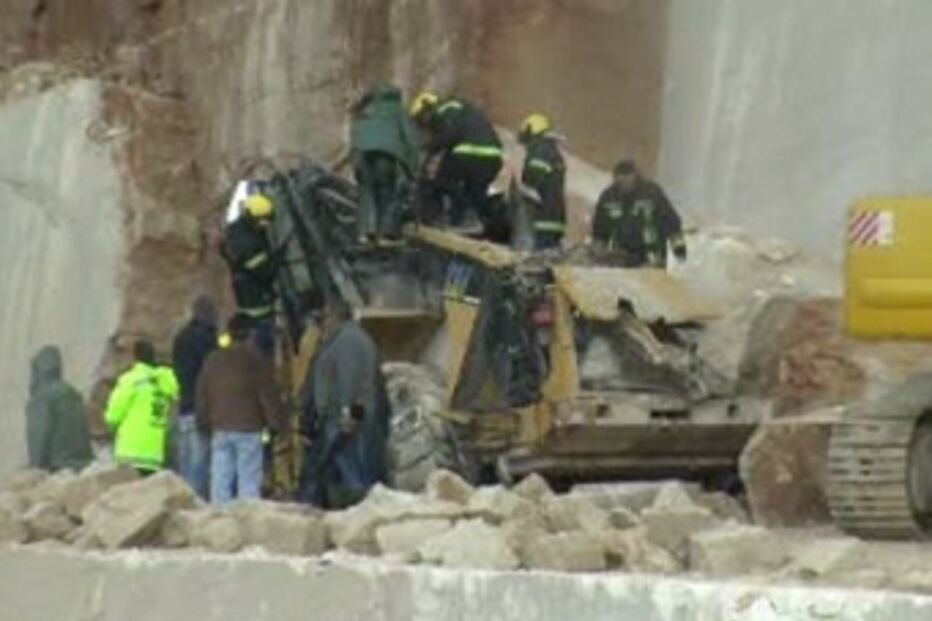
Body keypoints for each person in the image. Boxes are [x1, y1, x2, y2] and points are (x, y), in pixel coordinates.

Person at [298, 300, 390, 509]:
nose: (323, 324)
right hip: (348, 418)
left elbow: (353, 384)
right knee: (336, 470)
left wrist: (350, 417)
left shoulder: (348, 341)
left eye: (325, 318)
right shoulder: (350, 338)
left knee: (351, 473)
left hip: (346, 421)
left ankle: (358, 517)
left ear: (335, 317)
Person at [196, 314, 283, 504]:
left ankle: (218, 520)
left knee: (220, 480)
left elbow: (202, 394)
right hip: (249, 428)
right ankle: (248, 523)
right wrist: (274, 423)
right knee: (249, 482)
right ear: (251, 334)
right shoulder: (255, 360)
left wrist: (204, 422)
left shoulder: (213, 359)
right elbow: (266, 395)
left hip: (220, 428)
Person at [409, 91, 504, 236]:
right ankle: (479, 222)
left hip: (470, 152)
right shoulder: (462, 108)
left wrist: (428, 148)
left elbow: (448, 136)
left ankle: (457, 217)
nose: (424, 125)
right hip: (493, 157)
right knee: (475, 193)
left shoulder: (444, 109)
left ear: (427, 108)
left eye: (421, 119)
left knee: (442, 180)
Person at [350, 84, 421, 243]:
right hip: (385, 158)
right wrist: (414, 168)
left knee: (366, 194)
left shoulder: (366, 111)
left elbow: (355, 137)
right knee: (387, 194)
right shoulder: (398, 111)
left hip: (362, 157)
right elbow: (411, 140)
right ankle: (385, 235)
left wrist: (355, 165)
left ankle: (364, 233)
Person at [591, 160, 687, 268]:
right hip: (623, 255)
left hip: (652, 256)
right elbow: (600, 227)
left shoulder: (651, 193)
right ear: (615, 177)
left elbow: (670, 221)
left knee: (648, 282)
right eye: (620, 178)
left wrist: (679, 249)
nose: (624, 182)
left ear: (635, 175)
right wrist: (598, 250)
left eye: (627, 176)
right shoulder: (609, 197)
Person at [105, 340, 179, 474]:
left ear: (134, 357)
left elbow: (112, 416)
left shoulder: (131, 380)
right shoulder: (163, 382)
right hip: (155, 455)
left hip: (130, 452)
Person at [170, 295, 218, 498]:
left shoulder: (180, 337)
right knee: (200, 461)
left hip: (184, 407)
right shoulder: (206, 339)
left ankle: (183, 500)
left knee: (186, 460)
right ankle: (196, 503)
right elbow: (212, 372)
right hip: (201, 409)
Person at [221, 193, 278, 358]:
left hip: (249, 298)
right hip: (257, 304)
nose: (266, 224)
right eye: (262, 220)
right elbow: (263, 271)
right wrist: (276, 262)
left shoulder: (236, 230)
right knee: (264, 348)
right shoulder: (246, 243)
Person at [25, 345, 93, 472]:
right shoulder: (74, 393)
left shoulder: (42, 396)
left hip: (57, 464)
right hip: (82, 463)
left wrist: (35, 468)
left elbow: (38, 434)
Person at [518, 113, 567, 250]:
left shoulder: (541, 150)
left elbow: (532, 178)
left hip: (542, 220)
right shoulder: (552, 151)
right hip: (554, 219)